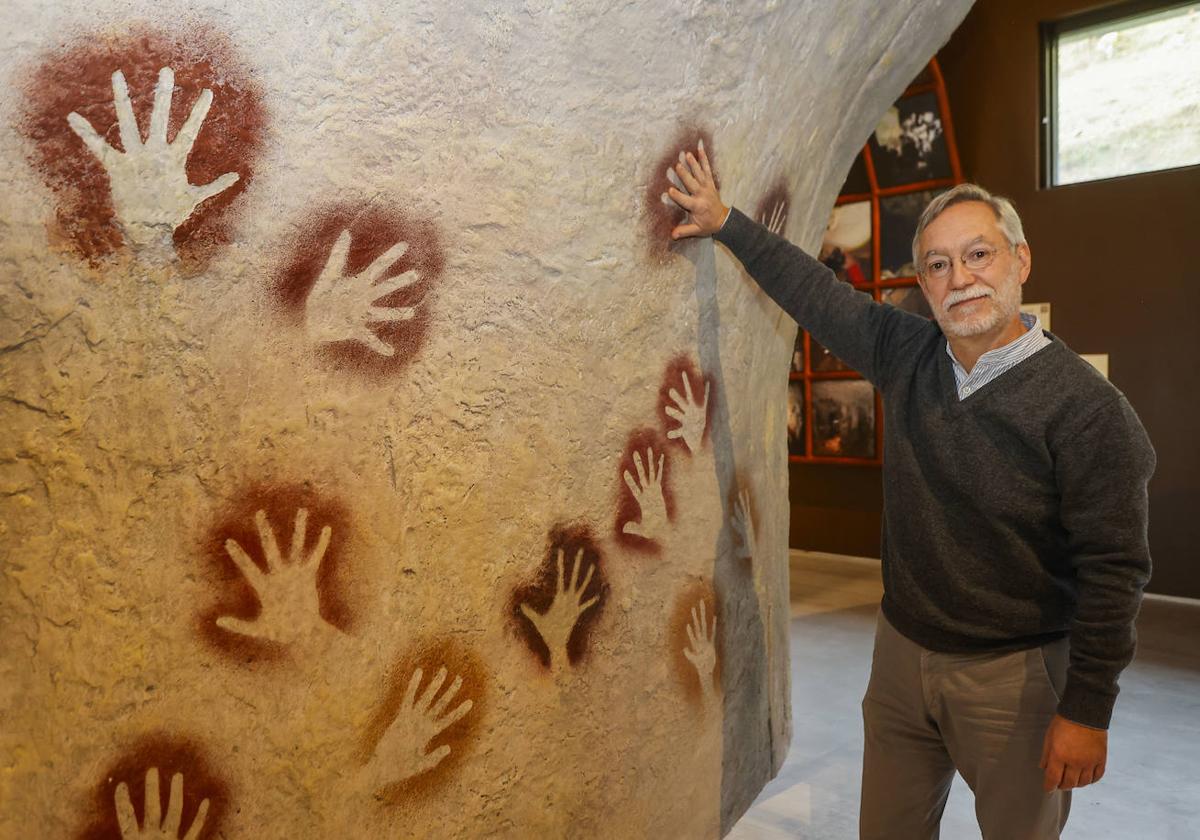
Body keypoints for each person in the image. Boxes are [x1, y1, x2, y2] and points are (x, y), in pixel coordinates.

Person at [664, 143, 1156, 839]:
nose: (961, 279)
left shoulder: (1089, 411)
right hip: (901, 656)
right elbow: (816, 293)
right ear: (923, 284)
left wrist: (1086, 711)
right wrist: (725, 221)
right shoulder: (908, 353)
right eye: (938, 264)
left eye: (979, 255)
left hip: (1013, 676)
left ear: (1020, 261)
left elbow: (1116, 571)